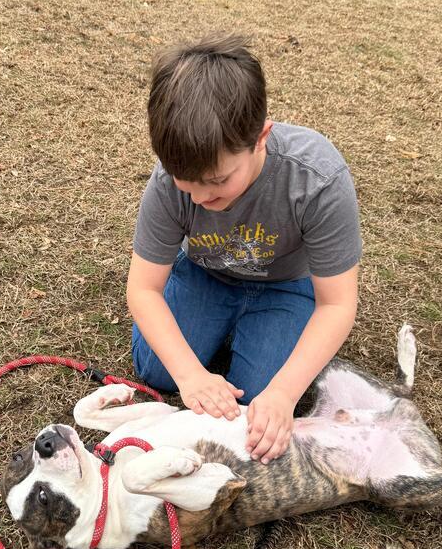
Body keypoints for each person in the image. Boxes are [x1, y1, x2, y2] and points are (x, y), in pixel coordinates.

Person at [126, 33, 362, 463]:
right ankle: (221, 334)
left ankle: (260, 336)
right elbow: (143, 289)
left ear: (261, 137)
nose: (199, 198)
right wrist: (192, 375)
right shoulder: (167, 181)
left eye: (217, 180)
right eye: (186, 181)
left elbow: (338, 303)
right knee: (158, 371)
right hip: (207, 274)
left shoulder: (317, 179)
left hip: (288, 284)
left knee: (259, 399)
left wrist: (283, 394)